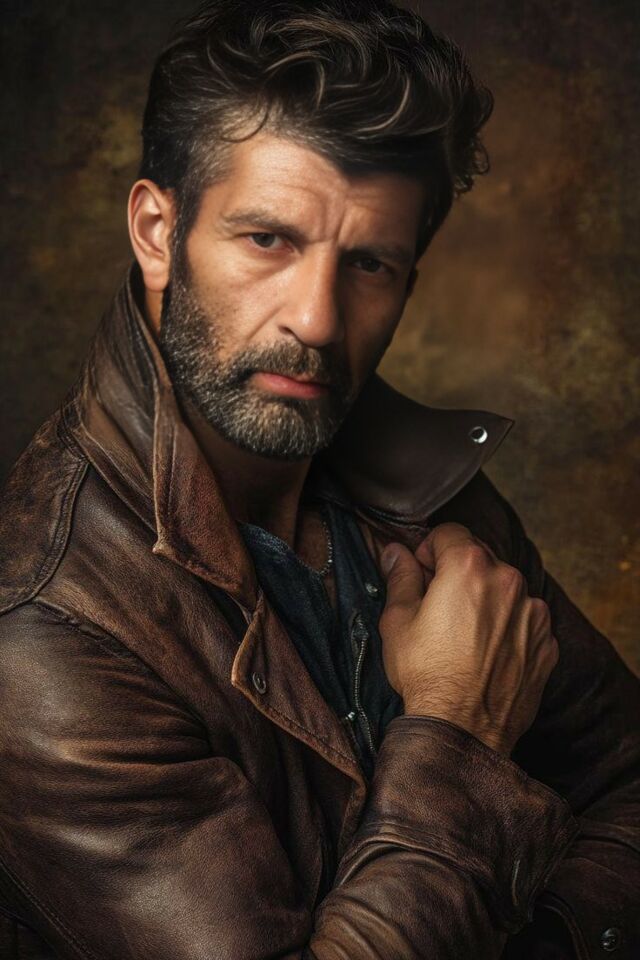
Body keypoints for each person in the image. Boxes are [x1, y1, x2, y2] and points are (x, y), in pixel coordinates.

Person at [0, 1, 638, 957]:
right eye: (269, 240)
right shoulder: (46, 631)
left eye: (370, 263)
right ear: (158, 232)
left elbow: (629, 785)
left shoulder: (428, 491)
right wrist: (458, 731)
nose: (318, 320)